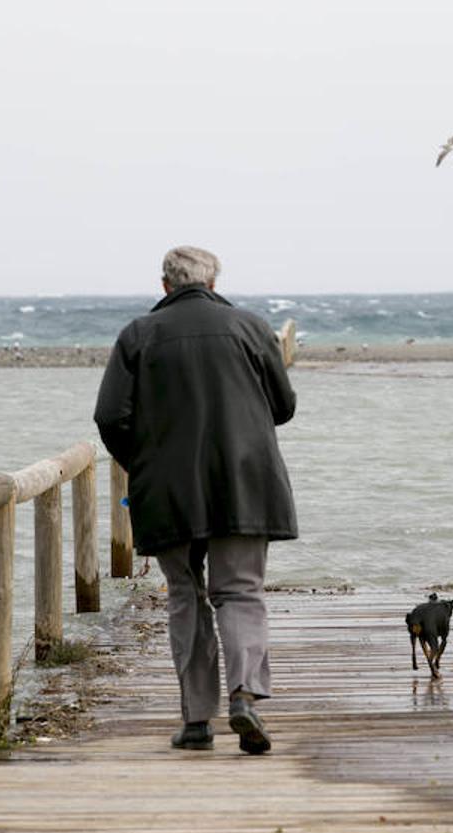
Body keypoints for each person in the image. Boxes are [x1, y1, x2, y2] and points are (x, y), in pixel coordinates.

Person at [94, 245, 297, 755]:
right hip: (245, 482)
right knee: (241, 591)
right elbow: (284, 405)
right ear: (213, 282)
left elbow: (109, 417)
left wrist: (142, 462)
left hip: (168, 488)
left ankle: (196, 720)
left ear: (164, 286)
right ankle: (244, 694)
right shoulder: (250, 327)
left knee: (186, 595)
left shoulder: (138, 335)